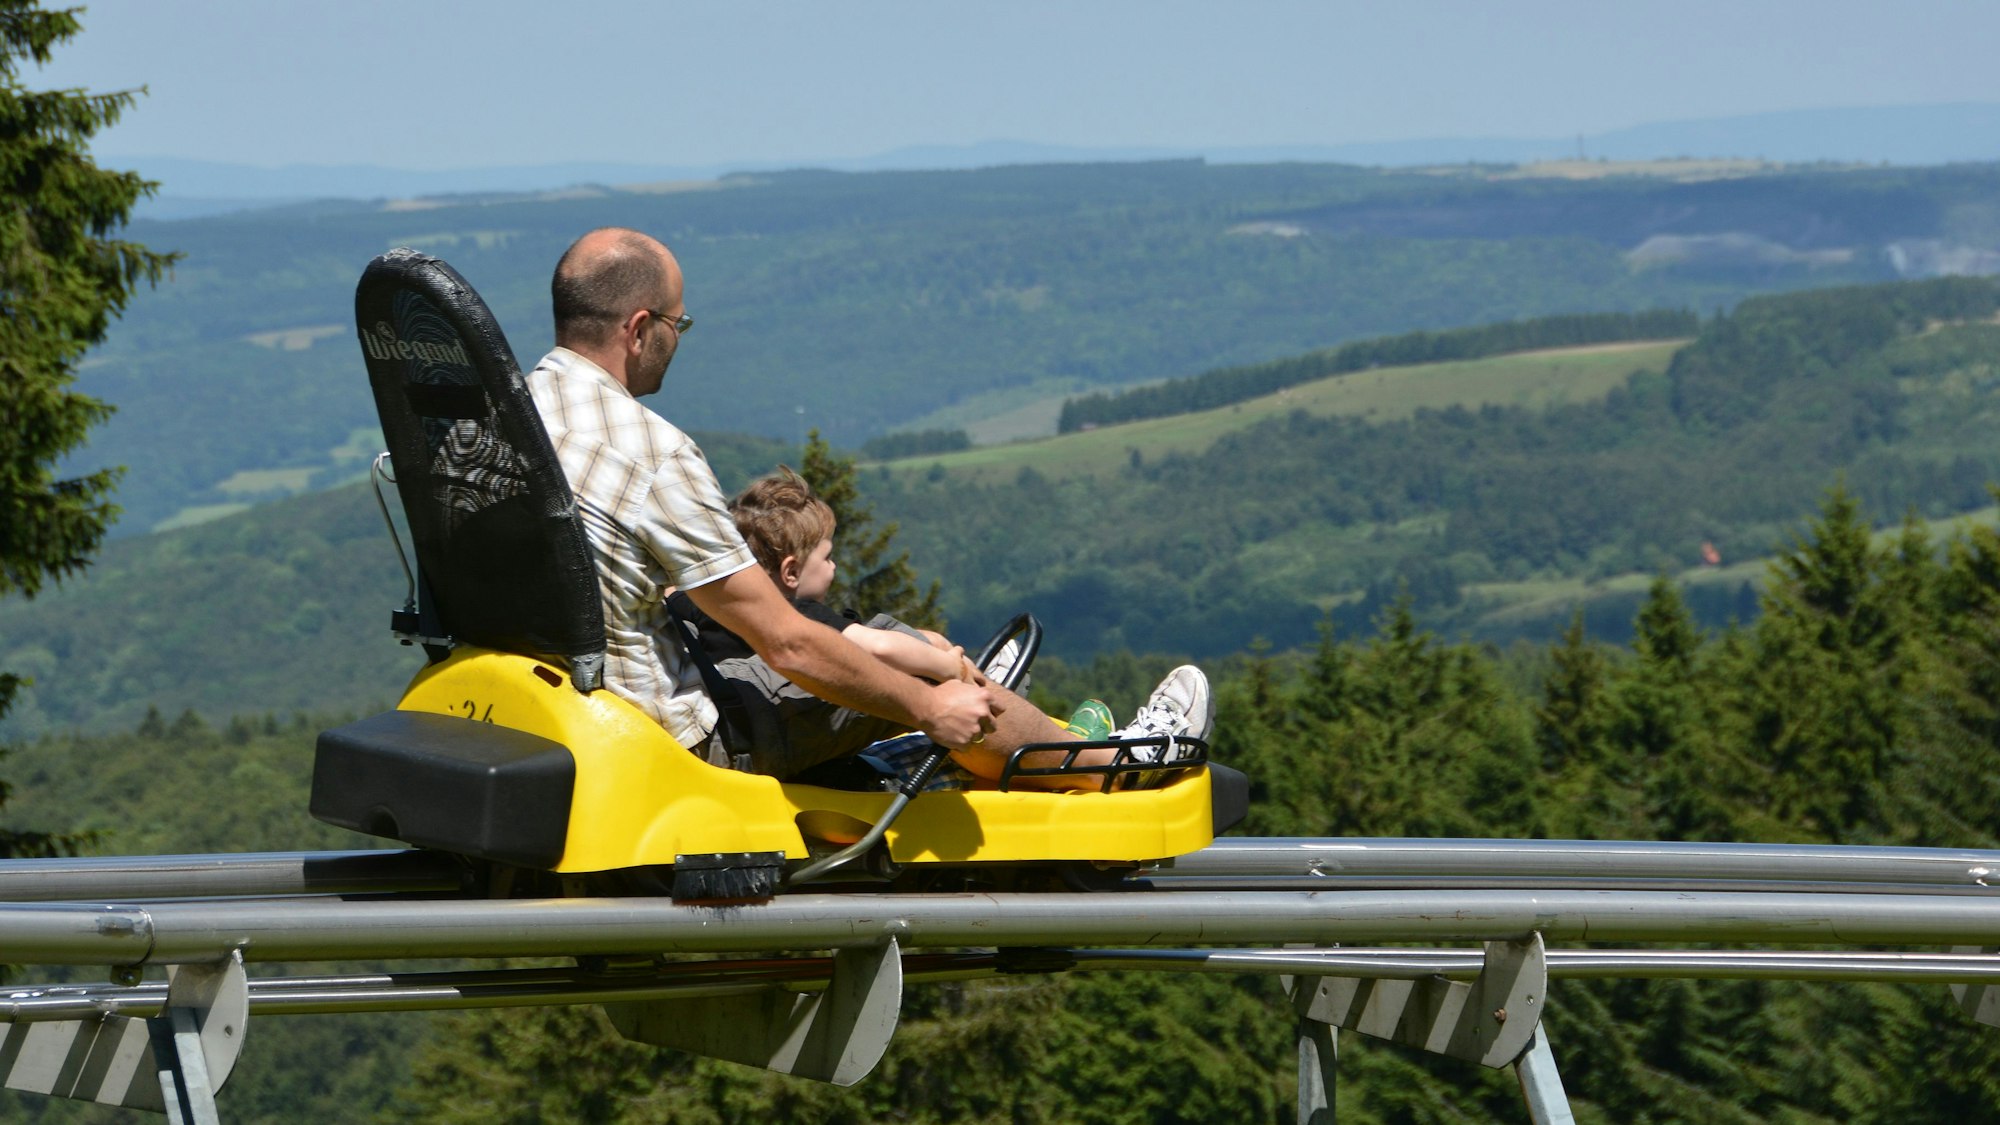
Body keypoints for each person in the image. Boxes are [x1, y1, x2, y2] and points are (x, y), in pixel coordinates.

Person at [525, 226, 1210, 786]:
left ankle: (1023, 745)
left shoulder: (504, 421)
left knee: (868, 646)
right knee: (904, 666)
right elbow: (787, 642)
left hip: (554, 715)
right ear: (639, 328)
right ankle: (1116, 767)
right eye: (680, 324)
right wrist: (927, 703)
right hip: (679, 742)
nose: (680, 339)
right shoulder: (649, 451)